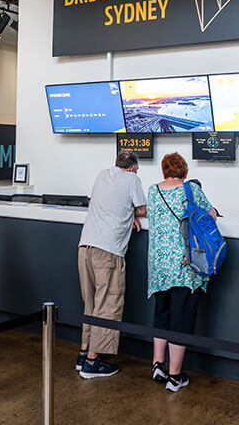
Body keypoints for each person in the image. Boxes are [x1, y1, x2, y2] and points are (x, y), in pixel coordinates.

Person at [146, 153, 218, 392]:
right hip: (184, 266)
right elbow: (209, 216)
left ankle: (158, 364)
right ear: (185, 172)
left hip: (158, 267)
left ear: (164, 171)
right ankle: (174, 377)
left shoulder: (153, 191)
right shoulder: (191, 190)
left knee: (161, 313)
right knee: (181, 320)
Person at [76, 151, 147, 378]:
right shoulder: (132, 179)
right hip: (108, 252)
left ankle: (84, 352)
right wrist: (133, 213)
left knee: (91, 304)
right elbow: (143, 208)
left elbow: (108, 203)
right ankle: (92, 363)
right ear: (133, 168)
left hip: (85, 248)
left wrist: (128, 214)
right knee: (108, 305)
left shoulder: (102, 174)